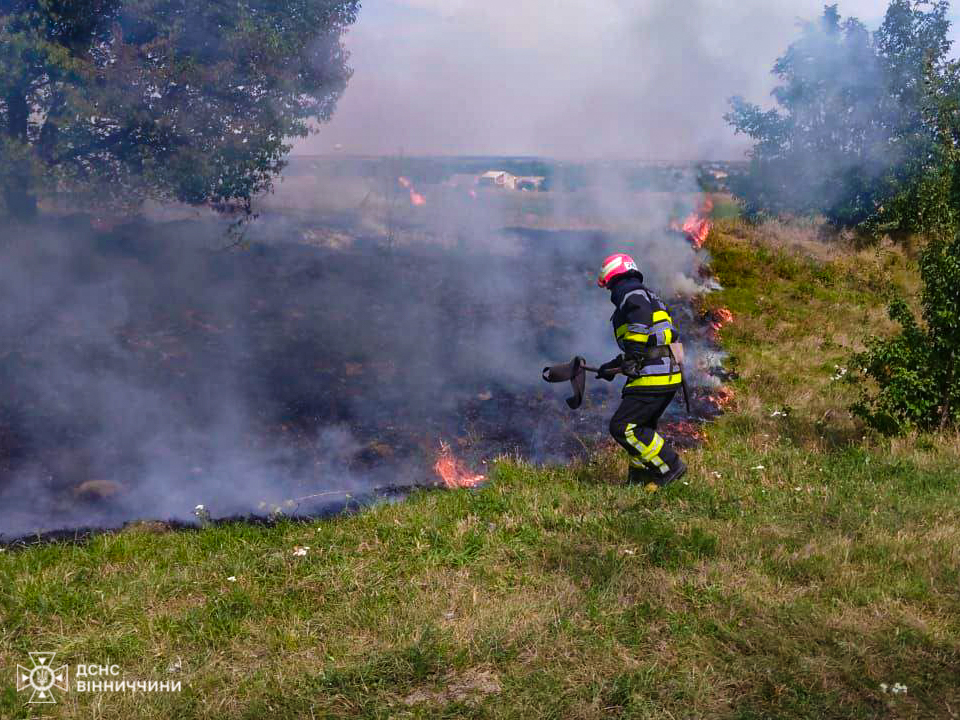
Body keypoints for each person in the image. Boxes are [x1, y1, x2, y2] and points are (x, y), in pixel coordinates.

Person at [596, 253, 687, 490]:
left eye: (608, 286)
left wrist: (634, 354)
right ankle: (638, 477)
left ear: (613, 277)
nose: (610, 292)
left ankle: (670, 465)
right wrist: (612, 366)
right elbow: (650, 342)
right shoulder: (647, 294)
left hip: (654, 376)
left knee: (623, 427)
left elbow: (640, 323)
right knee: (642, 427)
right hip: (666, 373)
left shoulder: (630, 293)